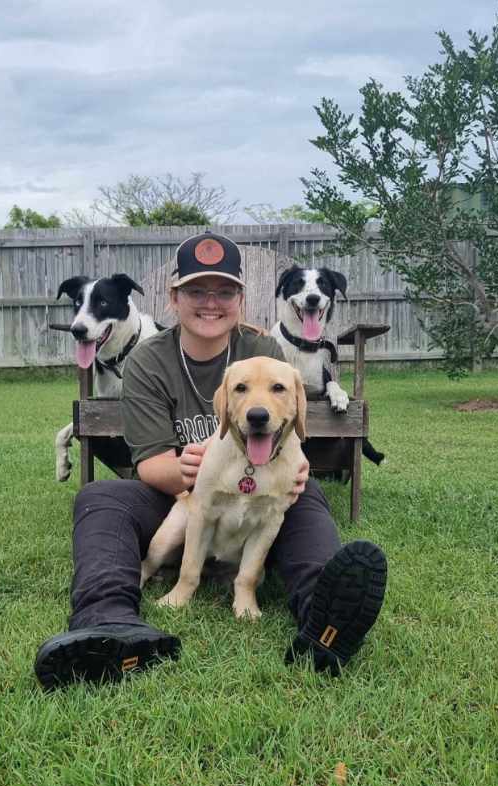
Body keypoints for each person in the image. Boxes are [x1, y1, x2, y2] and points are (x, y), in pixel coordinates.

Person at [34, 231, 387, 690]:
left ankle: (323, 614)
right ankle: (108, 623)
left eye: (224, 291)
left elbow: (290, 422)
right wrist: (196, 468)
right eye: (197, 291)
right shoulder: (146, 361)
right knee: (100, 497)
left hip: (258, 497)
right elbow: (150, 464)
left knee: (306, 494)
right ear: (174, 296)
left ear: (240, 298)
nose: (211, 303)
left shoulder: (262, 351)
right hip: (180, 496)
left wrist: (295, 466)